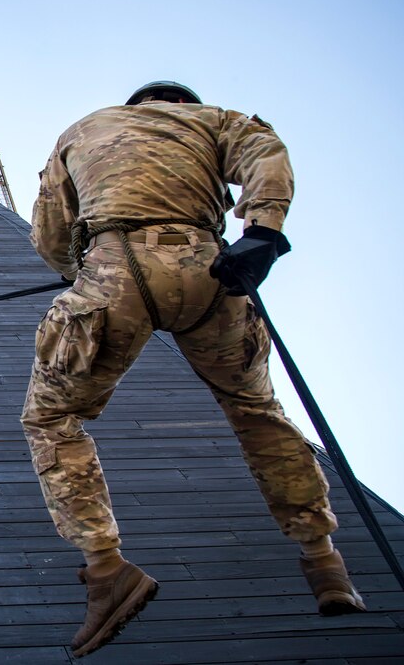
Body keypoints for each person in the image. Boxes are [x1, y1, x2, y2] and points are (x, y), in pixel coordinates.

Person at [21, 81, 365, 657]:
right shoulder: (215, 120)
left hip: (115, 268)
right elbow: (265, 153)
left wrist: (77, 274)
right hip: (213, 267)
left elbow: (51, 233)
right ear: (183, 102)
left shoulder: (82, 130)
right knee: (258, 413)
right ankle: (325, 564)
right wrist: (262, 231)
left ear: (135, 105)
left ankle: (108, 569)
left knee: (52, 417)